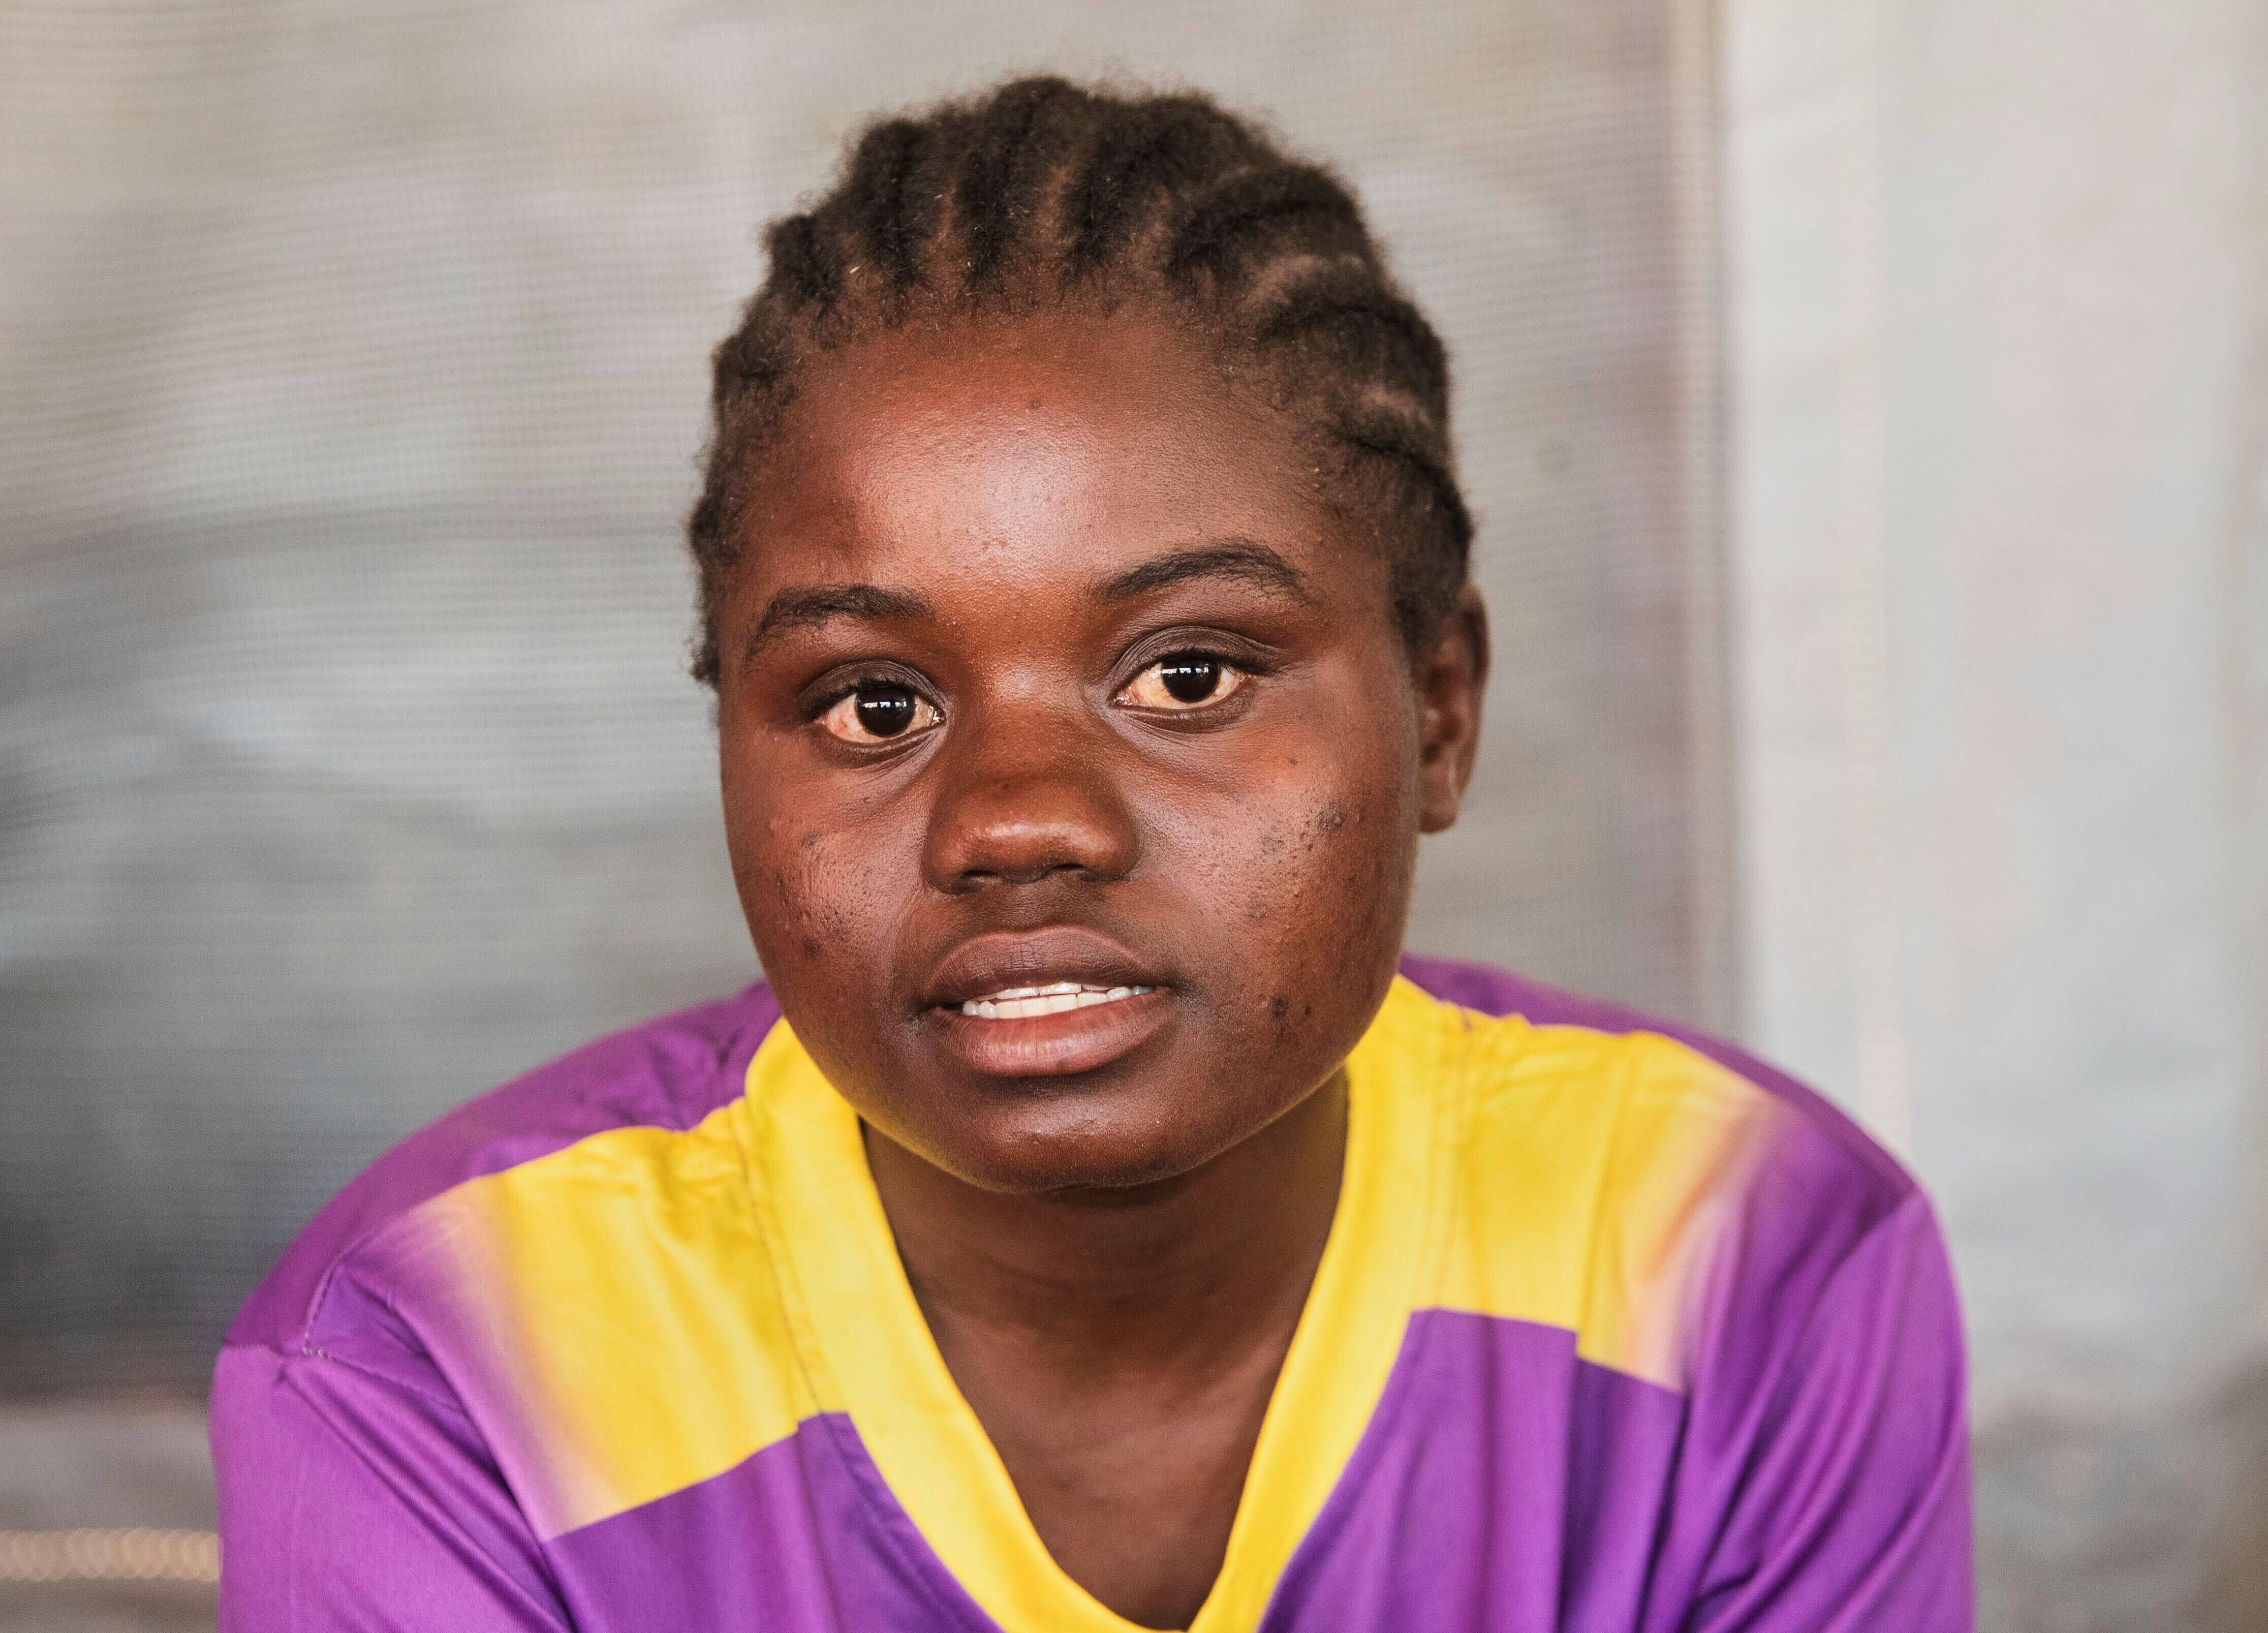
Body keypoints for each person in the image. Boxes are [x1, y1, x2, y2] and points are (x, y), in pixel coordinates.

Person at [208, 75, 1972, 1632]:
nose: (1014, 823)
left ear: (1437, 713)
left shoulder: (1744, 1254)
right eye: (873, 705)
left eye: (1187, 675)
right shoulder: (437, 1368)